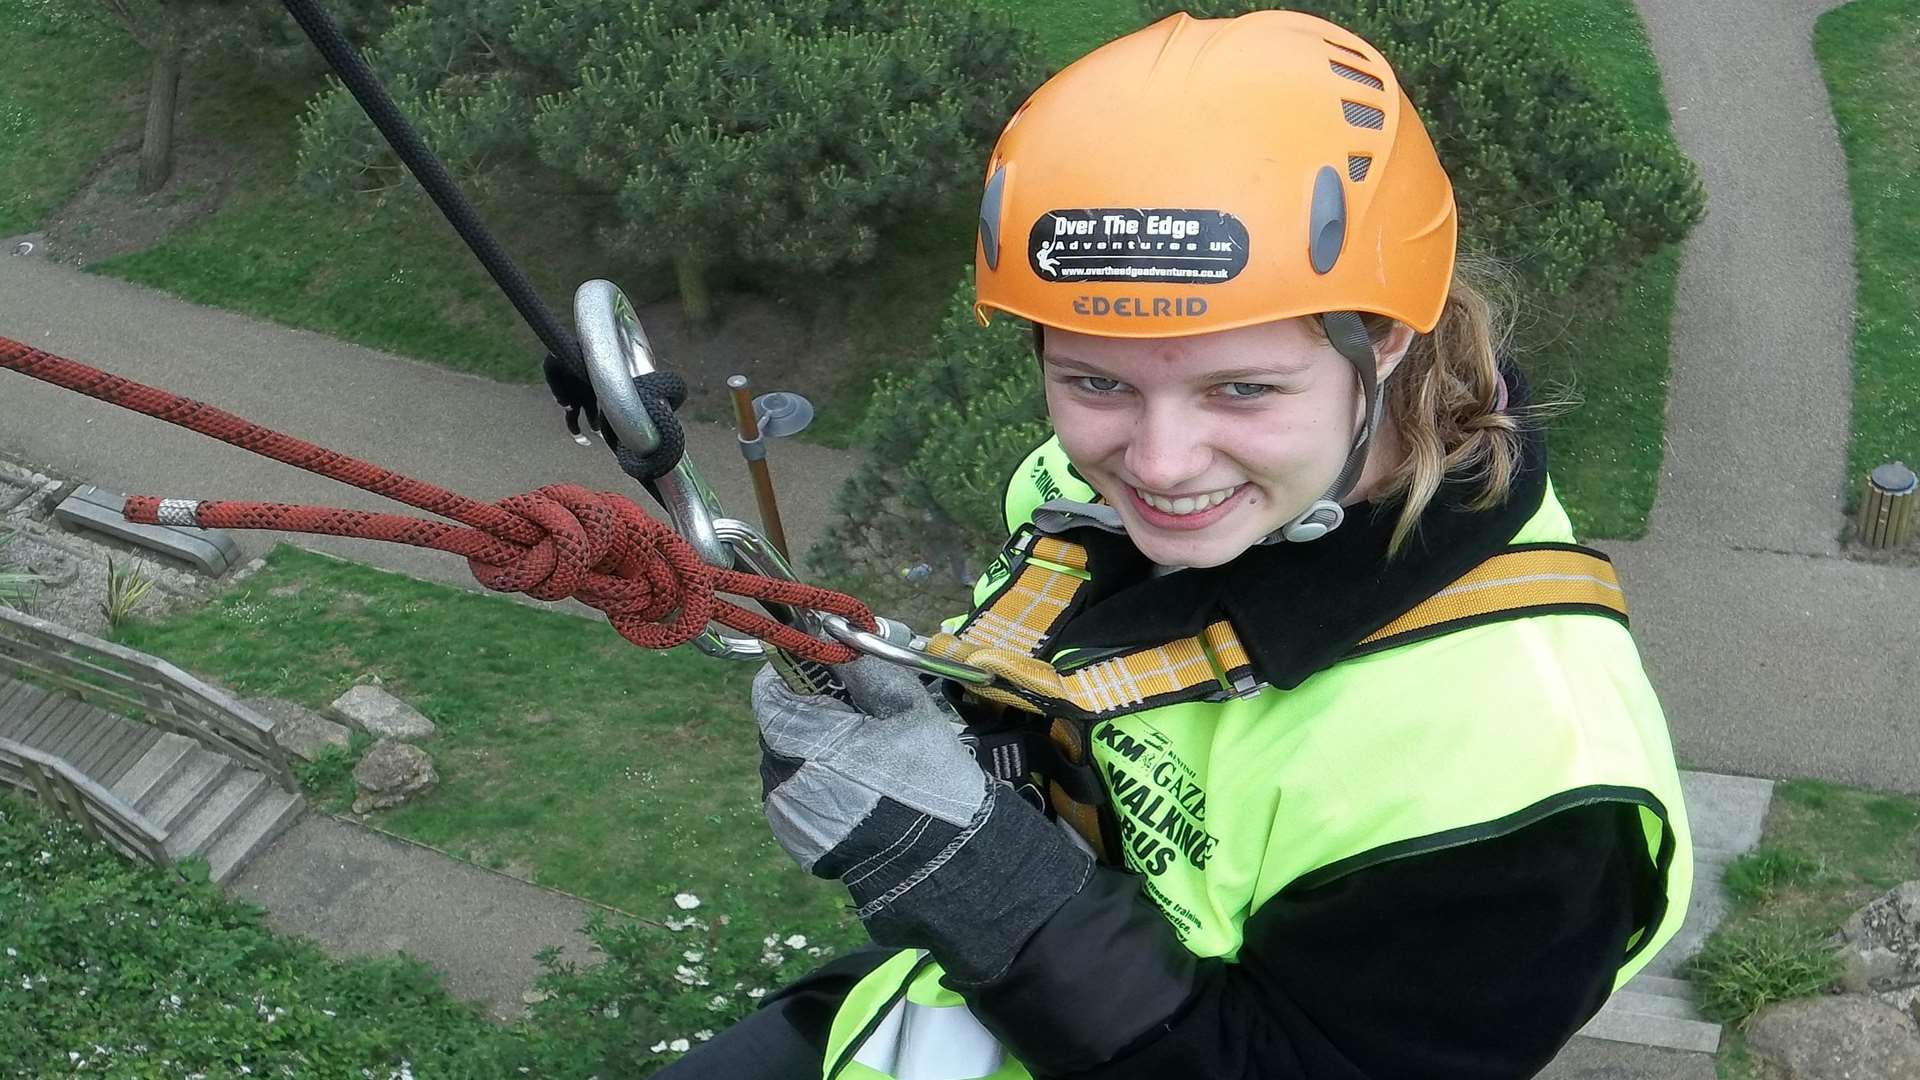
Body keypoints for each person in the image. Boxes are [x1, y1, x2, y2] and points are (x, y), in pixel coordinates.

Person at [664, 10, 1692, 1079]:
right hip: (933, 1023)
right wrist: (921, 713)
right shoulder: (1088, 491)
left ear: (1387, 336)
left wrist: (976, 880)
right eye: (1093, 381)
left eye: (1241, 390)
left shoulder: (1523, 790)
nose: (1157, 463)